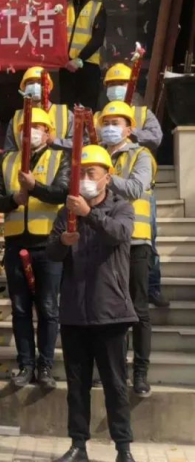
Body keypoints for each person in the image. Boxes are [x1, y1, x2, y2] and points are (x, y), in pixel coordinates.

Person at [46, 145, 137, 462]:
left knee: (115, 384)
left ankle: (123, 447)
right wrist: (62, 242)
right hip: (74, 311)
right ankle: (78, 445)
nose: (84, 178)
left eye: (91, 172)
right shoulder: (66, 211)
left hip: (111, 311)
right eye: (80, 173)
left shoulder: (121, 208)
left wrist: (89, 213)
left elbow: (119, 233)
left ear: (107, 177)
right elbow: (51, 252)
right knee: (76, 385)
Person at [0, 107, 70, 388]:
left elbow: (62, 192)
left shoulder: (60, 157)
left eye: (37, 127)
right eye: (26, 128)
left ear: (48, 133)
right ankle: (26, 364)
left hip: (48, 245)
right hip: (15, 242)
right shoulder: (7, 160)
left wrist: (35, 187)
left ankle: (45, 365)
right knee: (20, 308)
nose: (31, 132)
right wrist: (14, 199)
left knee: (48, 307)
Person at [98, 101, 157, 398]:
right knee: (110, 309)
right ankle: (113, 370)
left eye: (116, 123)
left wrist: (105, 177)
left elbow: (135, 189)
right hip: (105, 240)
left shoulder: (141, 155)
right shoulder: (96, 154)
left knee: (139, 310)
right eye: (105, 123)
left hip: (135, 242)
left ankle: (140, 373)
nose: (109, 128)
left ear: (129, 128)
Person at [61, 0, 107, 110]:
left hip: (88, 65)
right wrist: (65, 60)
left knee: (87, 109)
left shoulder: (97, 7)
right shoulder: (64, 8)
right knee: (67, 110)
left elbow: (98, 39)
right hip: (67, 67)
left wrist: (80, 59)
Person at [4, 67, 75, 151]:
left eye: (40, 82)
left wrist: (54, 142)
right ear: (24, 89)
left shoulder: (65, 114)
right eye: (31, 83)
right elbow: (9, 151)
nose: (35, 86)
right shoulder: (17, 118)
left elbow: (78, 144)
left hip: (58, 160)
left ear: (48, 88)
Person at [97, 63, 163, 153]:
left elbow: (155, 138)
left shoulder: (143, 113)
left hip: (137, 160)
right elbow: (84, 143)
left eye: (121, 84)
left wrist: (128, 131)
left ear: (132, 87)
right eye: (112, 84)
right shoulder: (96, 117)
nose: (116, 88)